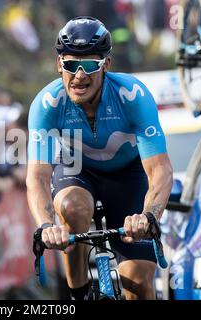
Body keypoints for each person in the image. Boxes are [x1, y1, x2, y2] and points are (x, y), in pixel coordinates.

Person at [26, 16, 173, 300]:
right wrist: (46, 225)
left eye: (90, 65)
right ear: (59, 65)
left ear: (106, 64)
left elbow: (160, 169)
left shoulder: (132, 95)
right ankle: (78, 291)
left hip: (128, 176)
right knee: (73, 207)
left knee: (139, 284)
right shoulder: (47, 104)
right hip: (77, 170)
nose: (79, 75)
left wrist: (149, 216)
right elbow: (38, 176)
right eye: (70, 64)